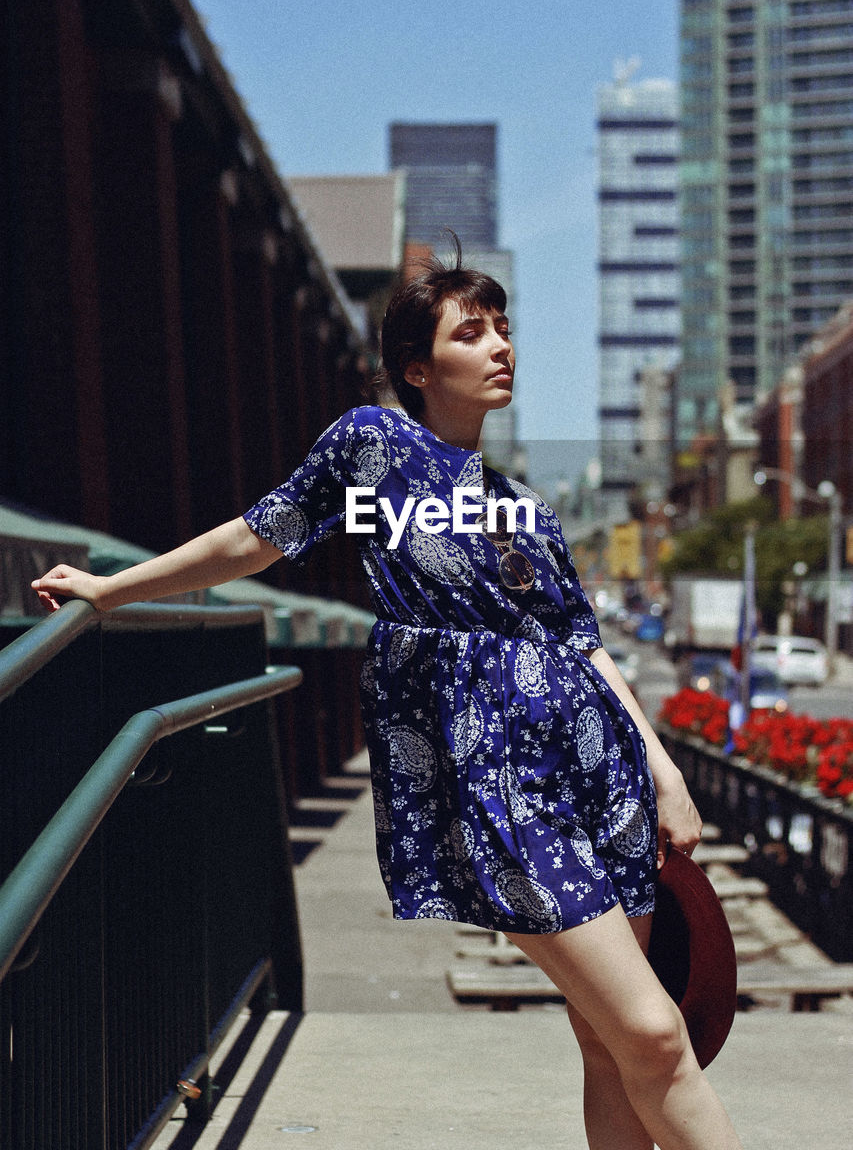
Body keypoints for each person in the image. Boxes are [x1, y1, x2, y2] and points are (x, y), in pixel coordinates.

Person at [33, 238, 743, 1150]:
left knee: (608, 1042)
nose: (501, 347)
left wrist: (664, 774)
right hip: (493, 779)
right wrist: (112, 589)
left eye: (504, 329)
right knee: (650, 1031)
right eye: (472, 331)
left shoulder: (523, 504)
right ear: (416, 367)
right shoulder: (372, 446)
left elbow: (582, 646)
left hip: (592, 768)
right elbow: (254, 539)